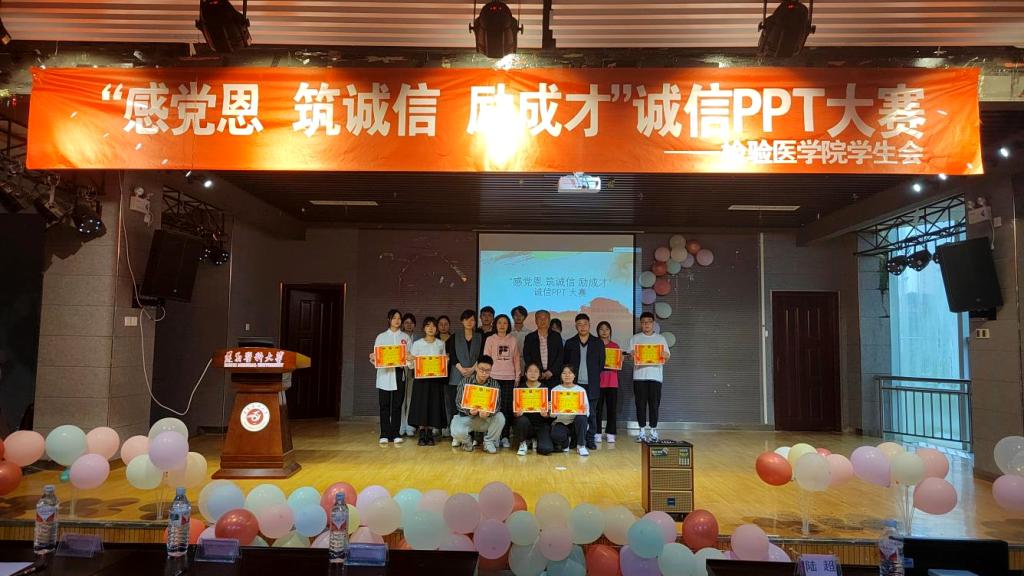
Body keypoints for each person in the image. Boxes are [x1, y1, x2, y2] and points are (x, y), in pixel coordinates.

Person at [626, 312, 671, 442]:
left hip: (655, 377)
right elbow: (629, 356)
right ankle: (641, 431)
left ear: (653, 323)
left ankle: (653, 431)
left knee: (654, 405)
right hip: (639, 377)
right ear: (641, 324)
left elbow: (667, 356)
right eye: (644, 322)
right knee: (640, 405)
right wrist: (631, 355)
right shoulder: (635, 338)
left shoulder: (661, 339)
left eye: (649, 322)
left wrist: (665, 355)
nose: (646, 324)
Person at [562, 313, 604, 451]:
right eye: (579, 324)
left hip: (592, 384)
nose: (582, 327)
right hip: (574, 385)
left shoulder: (597, 342)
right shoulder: (570, 343)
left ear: (589, 325)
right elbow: (566, 363)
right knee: (575, 413)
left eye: (585, 324)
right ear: (576, 326)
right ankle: (575, 439)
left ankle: (590, 439)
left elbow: (601, 364)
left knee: (591, 413)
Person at [370, 309, 412, 444]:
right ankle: (384, 433)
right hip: (384, 374)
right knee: (384, 405)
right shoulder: (381, 337)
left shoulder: (405, 337)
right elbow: (376, 358)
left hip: (399, 373)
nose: (397, 321)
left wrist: (409, 359)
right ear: (389, 320)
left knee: (397, 405)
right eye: (394, 318)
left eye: (399, 318)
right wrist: (373, 357)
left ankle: (395, 433)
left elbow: (410, 360)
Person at [451, 355, 505, 454]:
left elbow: (497, 406)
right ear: (476, 368)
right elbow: (458, 403)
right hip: (469, 418)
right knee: (455, 429)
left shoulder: (495, 384)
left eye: (487, 370)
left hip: (485, 419)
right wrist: (469, 411)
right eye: (481, 369)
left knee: (500, 417)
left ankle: (489, 441)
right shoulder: (465, 382)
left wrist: (488, 413)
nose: (484, 373)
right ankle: (467, 442)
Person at [483, 314, 521, 448]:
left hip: (509, 378)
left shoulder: (513, 340)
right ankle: (493, 436)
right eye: (499, 323)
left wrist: (517, 376)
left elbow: (516, 359)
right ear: (495, 324)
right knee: (493, 408)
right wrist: (486, 376)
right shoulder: (490, 339)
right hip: (493, 377)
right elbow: (486, 359)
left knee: (506, 408)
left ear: (508, 325)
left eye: (505, 323)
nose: (502, 325)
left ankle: (505, 436)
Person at [409, 317, 448, 446]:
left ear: (436, 329)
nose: (431, 328)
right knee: (421, 405)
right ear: (424, 328)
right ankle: (422, 433)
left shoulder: (440, 344)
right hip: (421, 381)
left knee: (433, 405)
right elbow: (411, 365)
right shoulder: (417, 344)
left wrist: (446, 361)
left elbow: (443, 363)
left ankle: (430, 433)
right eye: (428, 325)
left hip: (435, 381)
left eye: (433, 326)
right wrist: (412, 359)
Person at [446, 309, 482, 445]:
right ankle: (456, 436)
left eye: (472, 319)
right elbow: (452, 354)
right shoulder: (455, 336)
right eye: (466, 319)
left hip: (474, 374)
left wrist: (472, 369)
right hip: (456, 374)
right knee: (455, 406)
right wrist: (461, 369)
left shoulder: (479, 337)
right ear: (462, 321)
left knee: (471, 406)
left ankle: (470, 435)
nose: (469, 322)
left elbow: (482, 355)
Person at [512, 363, 553, 456]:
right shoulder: (519, 389)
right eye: (530, 371)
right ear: (525, 373)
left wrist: (546, 414)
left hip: (541, 425)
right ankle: (523, 443)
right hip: (525, 425)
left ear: (540, 374)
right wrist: (516, 413)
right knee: (521, 420)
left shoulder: (545, 389)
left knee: (546, 449)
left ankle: (534, 440)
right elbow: (514, 412)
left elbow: (550, 414)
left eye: (536, 371)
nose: (533, 374)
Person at [550, 365, 590, 456]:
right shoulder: (555, 390)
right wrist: (551, 409)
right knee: (555, 435)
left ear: (574, 375)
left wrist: (583, 409)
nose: (567, 375)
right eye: (564, 373)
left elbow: (587, 413)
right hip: (561, 422)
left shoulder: (581, 390)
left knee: (582, 417)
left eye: (570, 373)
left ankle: (581, 446)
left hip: (576, 423)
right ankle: (566, 442)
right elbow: (552, 416)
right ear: (561, 375)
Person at [523, 309, 563, 388]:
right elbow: (527, 356)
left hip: (553, 376)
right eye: (540, 318)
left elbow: (560, 356)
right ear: (535, 321)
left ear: (549, 320)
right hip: (535, 377)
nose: (543, 321)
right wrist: (537, 372)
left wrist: (551, 372)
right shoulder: (529, 337)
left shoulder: (556, 336)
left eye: (545, 318)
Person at [595, 321, 619, 443]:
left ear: (610, 331)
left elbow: (618, 365)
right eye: (601, 329)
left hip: (612, 382)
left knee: (612, 409)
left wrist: (620, 360)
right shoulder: (594, 345)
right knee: (597, 409)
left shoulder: (615, 346)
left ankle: (611, 433)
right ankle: (597, 432)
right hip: (598, 382)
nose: (604, 331)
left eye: (607, 329)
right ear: (597, 331)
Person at [399, 313, 418, 438]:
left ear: (415, 325)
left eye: (411, 323)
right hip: (401, 371)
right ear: (402, 324)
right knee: (401, 399)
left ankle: (410, 426)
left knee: (411, 399)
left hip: (414, 372)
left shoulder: (418, 339)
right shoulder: (399, 338)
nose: (409, 325)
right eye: (406, 323)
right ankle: (401, 426)